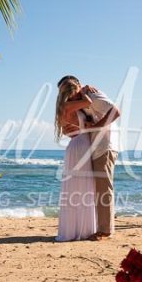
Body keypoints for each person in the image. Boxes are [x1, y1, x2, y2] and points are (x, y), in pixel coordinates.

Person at [56, 75, 120, 240]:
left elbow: (116, 111)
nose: (71, 97)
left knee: (103, 186)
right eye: (68, 95)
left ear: (78, 86)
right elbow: (68, 128)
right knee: (91, 188)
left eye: (73, 93)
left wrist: (97, 127)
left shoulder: (92, 95)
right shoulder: (77, 100)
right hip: (90, 147)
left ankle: (105, 230)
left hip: (105, 145)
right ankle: (91, 227)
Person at [54, 79, 97, 241]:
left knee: (77, 188)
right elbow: (88, 101)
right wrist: (85, 90)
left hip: (76, 144)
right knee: (82, 188)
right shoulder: (68, 105)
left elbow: (66, 132)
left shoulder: (62, 107)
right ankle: (83, 229)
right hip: (81, 145)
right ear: (73, 90)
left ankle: (75, 229)